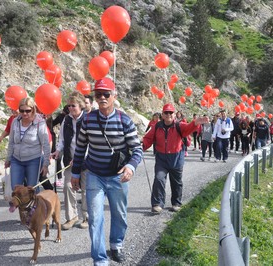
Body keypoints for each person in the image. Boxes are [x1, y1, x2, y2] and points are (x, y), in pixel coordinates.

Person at [71, 77, 143, 265]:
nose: (102, 97)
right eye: (98, 94)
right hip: (94, 176)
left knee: (119, 215)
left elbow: (137, 149)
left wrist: (130, 167)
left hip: (117, 177)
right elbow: (80, 148)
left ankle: (116, 244)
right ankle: (100, 259)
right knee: (95, 218)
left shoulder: (124, 120)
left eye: (106, 94)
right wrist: (75, 173)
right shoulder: (87, 120)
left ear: (114, 95)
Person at [142, 103, 209, 214]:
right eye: (166, 112)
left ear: (174, 115)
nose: (168, 114)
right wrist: (142, 147)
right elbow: (148, 139)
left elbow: (188, 129)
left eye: (170, 112)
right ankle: (157, 204)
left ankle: (176, 203)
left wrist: (195, 123)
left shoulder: (179, 125)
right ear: (162, 115)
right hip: (161, 158)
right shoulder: (157, 127)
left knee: (176, 182)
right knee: (159, 179)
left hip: (176, 158)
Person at [52, 92, 88, 230]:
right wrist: (58, 150)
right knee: (68, 186)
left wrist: (80, 158)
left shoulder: (88, 119)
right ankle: (71, 217)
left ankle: (86, 216)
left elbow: (91, 142)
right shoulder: (66, 119)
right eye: (69, 106)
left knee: (85, 189)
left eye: (74, 106)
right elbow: (61, 139)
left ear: (81, 106)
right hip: (69, 159)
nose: (71, 108)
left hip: (85, 160)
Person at [5, 97, 50, 190]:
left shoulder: (39, 123)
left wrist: (46, 164)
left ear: (33, 109)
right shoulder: (15, 121)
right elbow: (11, 142)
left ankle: (34, 205)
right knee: (16, 189)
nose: (24, 113)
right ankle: (18, 205)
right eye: (22, 110)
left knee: (31, 190)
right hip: (16, 159)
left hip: (33, 160)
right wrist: (8, 158)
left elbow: (46, 144)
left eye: (27, 111)